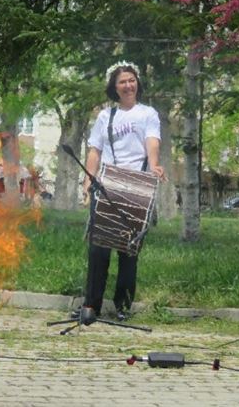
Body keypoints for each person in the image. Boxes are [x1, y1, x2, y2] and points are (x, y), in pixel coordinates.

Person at [76, 62, 165, 321]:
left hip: (136, 185)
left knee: (129, 250)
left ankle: (122, 306)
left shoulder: (148, 113)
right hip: (108, 185)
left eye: (132, 80)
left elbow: (152, 142)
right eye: (123, 82)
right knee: (98, 247)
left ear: (137, 83)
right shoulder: (106, 116)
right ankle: (91, 304)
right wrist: (87, 180)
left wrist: (155, 164)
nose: (128, 85)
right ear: (114, 88)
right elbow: (95, 150)